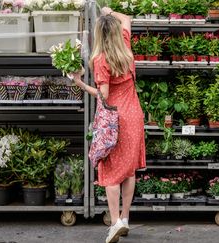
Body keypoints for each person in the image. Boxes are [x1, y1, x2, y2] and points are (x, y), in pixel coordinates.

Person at [69, 7, 146, 243]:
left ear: (99, 36)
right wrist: (110, 11)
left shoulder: (101, 60)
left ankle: (114, 224)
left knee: (110, 171)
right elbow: (127, 19)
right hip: (134, 115)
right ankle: (124, 218)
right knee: (129, 170)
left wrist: (80, 83)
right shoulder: (125, 47)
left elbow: (103, 96)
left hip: (114, 119)